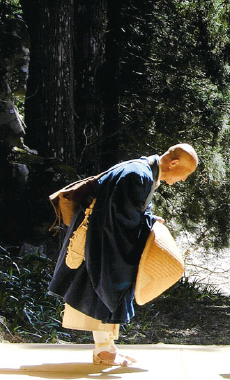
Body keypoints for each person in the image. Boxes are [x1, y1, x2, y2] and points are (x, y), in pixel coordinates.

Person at [49, 144, 198, 366]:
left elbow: (127, 209)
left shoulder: (143, 172)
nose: (183, 180)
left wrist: (149, 219)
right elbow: (120, 217)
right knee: (105, 287)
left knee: (108, 289)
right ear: (173, 163)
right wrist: (147, 223)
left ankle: (107, 346)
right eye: (185, 173)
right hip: (98, 240)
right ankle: (103, 351)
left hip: (103, 237)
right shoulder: (137, 175)